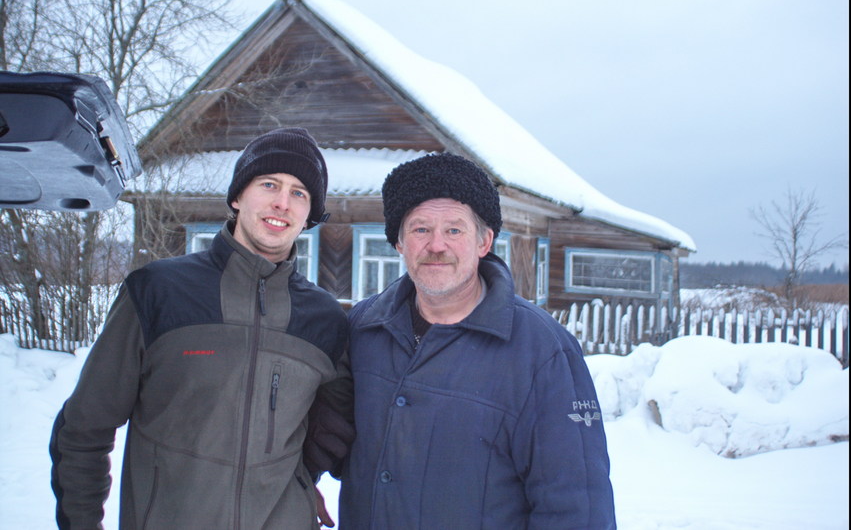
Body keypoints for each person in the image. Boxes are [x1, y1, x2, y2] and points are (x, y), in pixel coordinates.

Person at [50, 127, 353, 529]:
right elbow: (85, 427)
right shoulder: (158, 291)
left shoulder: (324, 318)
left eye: (300, 192)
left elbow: (334, 424)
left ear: (309, 214)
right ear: (237, 196)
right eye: (269, 184)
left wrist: (300, 479)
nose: (282, 202)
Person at [338, 153, 617, 529]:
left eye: (454, 230)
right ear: (399, 242)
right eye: (420, 229)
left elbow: (575, 506)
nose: (437, 245)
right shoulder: (364, 330)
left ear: (485, 241)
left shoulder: (543, 351)